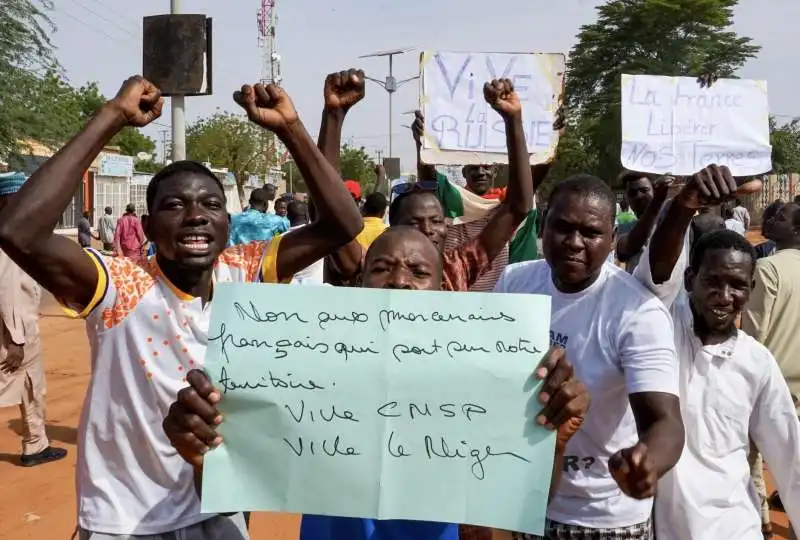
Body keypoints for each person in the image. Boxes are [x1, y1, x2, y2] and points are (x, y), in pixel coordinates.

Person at [0, 75, 363, 539]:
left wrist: (291, 127)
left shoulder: (244, 271)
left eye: (210, 204)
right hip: (126, 520)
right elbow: (19, 230)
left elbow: (341, 224)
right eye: (175, 205)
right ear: (149, 228)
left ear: (227, 225)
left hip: (219, 502)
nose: (195, 214)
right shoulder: (120, 285)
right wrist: (112, 115)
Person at [161, 225, 591, 540]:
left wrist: (552, 443)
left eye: (417, 272)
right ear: (360, 285)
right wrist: (204, 456)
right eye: (382, 268)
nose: (400, 281)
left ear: (442, 289)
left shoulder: (485, 376)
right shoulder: (307, 367)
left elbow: (528, 499)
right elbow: (237, 489)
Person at [496, 174, 684, 539]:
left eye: (591, 233)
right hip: (521, 499)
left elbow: (665, 421)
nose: (574, 243)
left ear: (613, 240)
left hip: (602, 515)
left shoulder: (637, 311)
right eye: (562, 228)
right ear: (543, 226)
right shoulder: (514, 284)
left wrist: (648, 462)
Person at [631, 164, 800, 540]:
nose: (725, 297)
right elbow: (656, 274)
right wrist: (684, 204)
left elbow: (791, 460)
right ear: (690, 280)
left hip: (734, 528)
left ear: (751, 288)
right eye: (713, 282)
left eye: (738, 286)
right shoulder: (662, 333)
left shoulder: (756, 362)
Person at [327, 78, 535, 292]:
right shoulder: (372, 264)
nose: (427, 230)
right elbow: (331, 213)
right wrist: (334, 116)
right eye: (414, 222)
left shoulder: (455, 270)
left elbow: (518, 207)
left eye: (436, 221)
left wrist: (512, 120)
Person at [0, 173, 67, 467]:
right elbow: (9, 291)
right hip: (14, 333)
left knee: (31, 390)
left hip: (18, 328)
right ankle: (35, 445)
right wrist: (16, 340)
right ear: (8, 201)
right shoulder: (9, 238)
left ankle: (35, 445)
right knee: (24, 386)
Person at [743, 200, 800, 539]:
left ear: (796, 229)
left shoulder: (768, 269)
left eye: (780, 217)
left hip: (770, 386)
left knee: (752, 459)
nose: (770, 217)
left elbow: (752, 336)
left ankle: (762, 521)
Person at [614, 171, 673, 272]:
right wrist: (657, 201)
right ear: (627, 198)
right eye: (632, 193)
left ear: (654, 190)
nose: (639, 196)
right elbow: (625, 252)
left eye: (644, 190)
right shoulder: (626, 227)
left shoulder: (671, 221)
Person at [285, 200, 324, 286]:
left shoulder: (277, 241)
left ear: (287, 216)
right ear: (307, 215)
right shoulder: (320, 238)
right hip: (316, 292)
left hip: (288, 292)